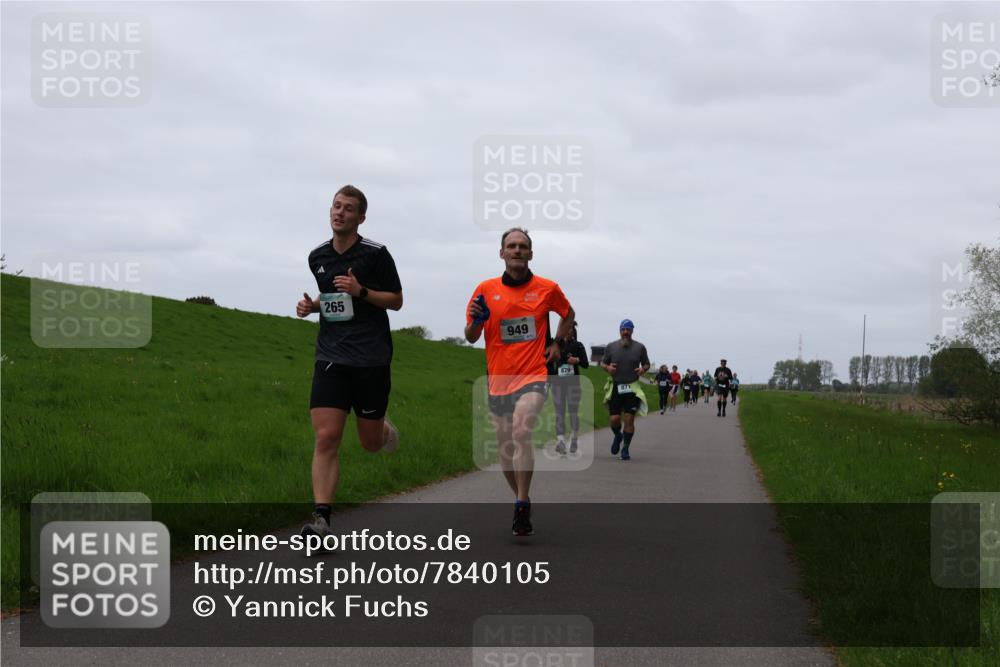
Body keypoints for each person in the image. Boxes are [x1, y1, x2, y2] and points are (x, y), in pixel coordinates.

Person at [297, 185, 403, 539]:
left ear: (361, 217)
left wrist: (362, 292)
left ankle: (384, 429)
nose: (339, 212)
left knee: (371, 443)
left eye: (348, 208)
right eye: (336, 206)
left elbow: (397, 301)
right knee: (326, 437)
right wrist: (312, 307)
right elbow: (333, 300)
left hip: (371, 357)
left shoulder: (375, 254)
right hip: (331, 355)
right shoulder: (317, 257)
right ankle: (322, 520)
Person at [466, 228, 574, 537]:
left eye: (522, 246)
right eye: (511, 246)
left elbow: (568, 313)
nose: (517, 250)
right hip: (499, 378)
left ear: (530, 253)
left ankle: (522, 505)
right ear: (501, 253)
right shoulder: (484, 290)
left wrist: (558, 345)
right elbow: (471, 336)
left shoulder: (547, 288)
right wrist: (475, 320)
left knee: (521, 430)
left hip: (533, 374)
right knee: (504, 448)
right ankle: (519, 496)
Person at [600, 320, 650, 461]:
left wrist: (643, 369)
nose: (625, 332)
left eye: (628, 329)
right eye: (623, 329)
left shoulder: (640, 347)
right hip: (616, 385)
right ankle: (618, 435)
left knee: (629, 419)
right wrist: (608, 368)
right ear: (619, 330)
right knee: (614, 419)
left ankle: (626, 448)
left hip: (632, 387)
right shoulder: (611, 347)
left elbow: (646, 363)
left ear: (632, 331)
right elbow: (603, 363)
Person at [548, 322, 589, 455]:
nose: (568, 331)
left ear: (573, 331)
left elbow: (585, 364)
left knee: (573, 411)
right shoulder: (555, 345)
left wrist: (576, 360)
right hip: (558, 383)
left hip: (573, 383)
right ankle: (560, 441)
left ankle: (574, 438)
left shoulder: (578, 345)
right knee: (559, 411)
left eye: (570, 329)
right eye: (566, 328)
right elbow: (548, 362)